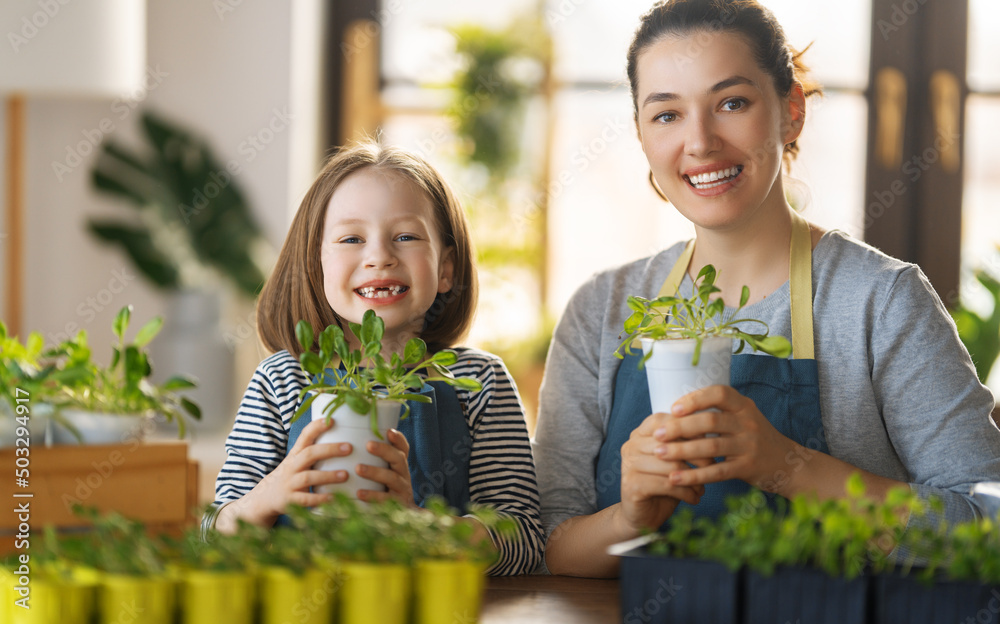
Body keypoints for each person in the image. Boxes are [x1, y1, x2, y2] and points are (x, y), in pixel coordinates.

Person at [533, 0, 1000, 577]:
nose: (700, 142)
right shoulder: (600, 311)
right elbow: (552, 544)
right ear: (641, 135)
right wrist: (629, 519)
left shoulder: (881, 302)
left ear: (790, 112)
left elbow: (987, 529)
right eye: (667, 115)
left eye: (732, 102)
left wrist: (790, 465)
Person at [205, 140, 543, 576]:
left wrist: (421, 527)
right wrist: (269, 496)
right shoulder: (281, 380)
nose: (379, 256)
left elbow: (525, 541)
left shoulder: (479, 380)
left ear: (446, 270)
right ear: (317, 265)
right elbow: (212, 534)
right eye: (351, 238)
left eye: (406, 236)